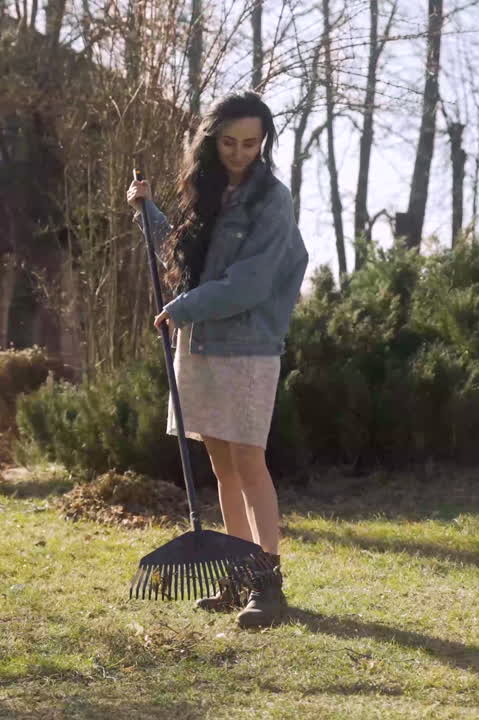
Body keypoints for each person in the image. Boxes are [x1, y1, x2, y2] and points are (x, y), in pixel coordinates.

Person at [126, 91, 309, 629]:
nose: (239, 151)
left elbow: (249, 282)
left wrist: (183, 308)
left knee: (250, 464)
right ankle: (238, 570)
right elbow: (183, 257)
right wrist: (147, 209)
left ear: (264, 142)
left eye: (251, 142)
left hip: (247, 346)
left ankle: (268, 585)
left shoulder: (272, 200)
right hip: (200, 341)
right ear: (212, 139)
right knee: (222, 464)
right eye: (229, 141)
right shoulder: (204, 193)